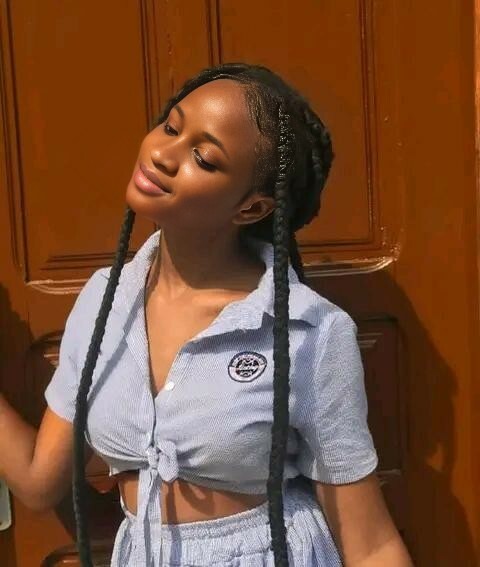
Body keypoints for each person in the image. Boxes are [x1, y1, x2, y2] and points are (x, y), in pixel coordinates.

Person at [0, 63, 413, 566]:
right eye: (171, 127)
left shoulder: (308, 332)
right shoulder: (105, 301)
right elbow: (38, 481)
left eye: (203, 157)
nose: (162, 154)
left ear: (252, 208)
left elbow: (370, 544)